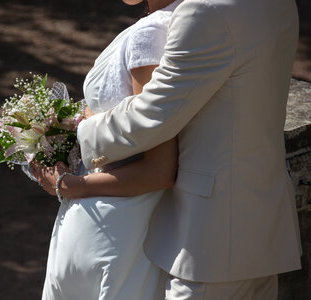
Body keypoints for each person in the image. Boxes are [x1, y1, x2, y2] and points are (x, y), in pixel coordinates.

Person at [64, 0, 302, 298]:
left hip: (209, 242)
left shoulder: (204, 11)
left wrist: (79, 130)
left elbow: (153, 114)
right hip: (263, 225)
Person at [33, 0, 184, 299]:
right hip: (103, 222)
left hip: (114, 227)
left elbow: (159, 169)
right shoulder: (164, 21)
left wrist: (68, 185)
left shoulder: (152, 33)